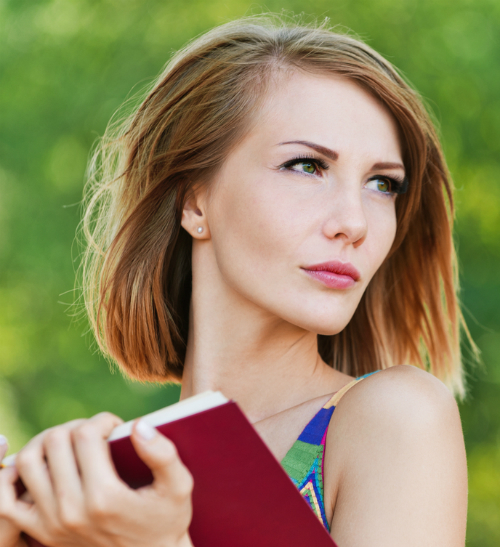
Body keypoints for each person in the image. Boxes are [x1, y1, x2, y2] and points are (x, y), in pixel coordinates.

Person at [0, 14, 474, 547]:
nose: (356, 222)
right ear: (194, 199)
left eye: (383, 184)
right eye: (307, 166)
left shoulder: (394, 419)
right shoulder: (103, 489)